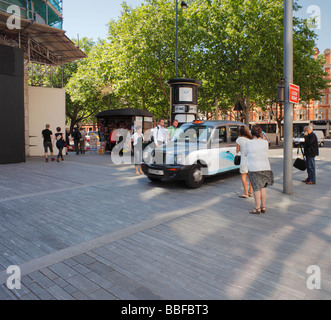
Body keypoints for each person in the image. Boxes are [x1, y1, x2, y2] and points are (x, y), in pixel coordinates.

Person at [244, 125, 274, 214]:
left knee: (256, 189)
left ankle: (257, 208)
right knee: (263, 188)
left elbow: (245, 153)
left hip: (254, 168)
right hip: (265, 167)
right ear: (261, 133)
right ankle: (263, 206)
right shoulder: (265, 143)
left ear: (251, 133)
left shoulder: (249, 143)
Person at [236, 126, 253, 198]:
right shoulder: (251, 139)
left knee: (243, 176)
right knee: (250, 176)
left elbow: (237, 151)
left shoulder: (239, 139)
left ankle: (245, 193)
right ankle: (250, 192)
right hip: (251, 159)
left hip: (244, 159)